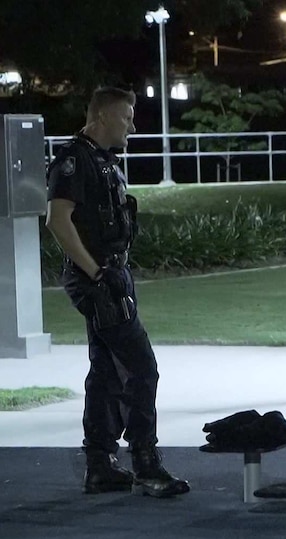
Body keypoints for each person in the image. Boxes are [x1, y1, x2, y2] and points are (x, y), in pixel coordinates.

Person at [45, 87, 189, 498]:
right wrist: (96, 272)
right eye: (126, 117)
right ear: (103, 118)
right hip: (99, 280)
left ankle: (100, 464)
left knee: (106, 371)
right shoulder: (75, 161)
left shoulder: (104, 161)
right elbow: (57, 220)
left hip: (111, 276)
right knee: (142, 368)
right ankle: (146, 463)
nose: (132, 125)